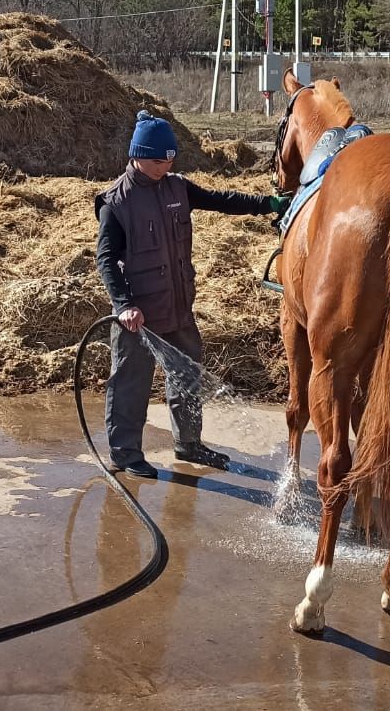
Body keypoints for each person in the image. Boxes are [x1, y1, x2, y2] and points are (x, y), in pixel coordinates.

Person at [95, 110, 289, 478]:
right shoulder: (116, 203)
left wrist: (267, 204)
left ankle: (189, 443)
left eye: (170, 159)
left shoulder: (177, 187)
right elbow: (105, 260)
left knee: (187, 377)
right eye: (157, 160)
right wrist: (123, 306)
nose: (164, 167)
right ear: (137, 154)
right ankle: (125, 454)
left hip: (179, 307)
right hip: (140, 316)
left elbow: (222, 199)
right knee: (130, 385)